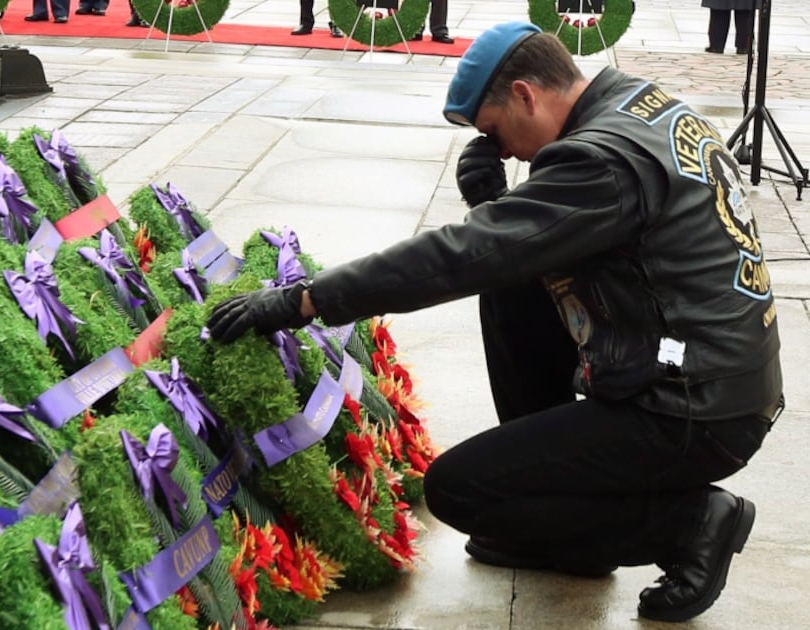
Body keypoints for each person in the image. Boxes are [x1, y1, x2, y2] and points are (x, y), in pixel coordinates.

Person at [206, 21, 782, 623]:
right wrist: (493, 207)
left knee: (458, 491)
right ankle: (567, 527)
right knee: (508, 282)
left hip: (693, 410)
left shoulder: (601, 161)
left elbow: (457, 256)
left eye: (494, 131)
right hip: (706, 372)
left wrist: (306, 301)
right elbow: (523, 247)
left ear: (527, 95)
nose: (501, 150)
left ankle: (689, 525)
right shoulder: (635, 103)